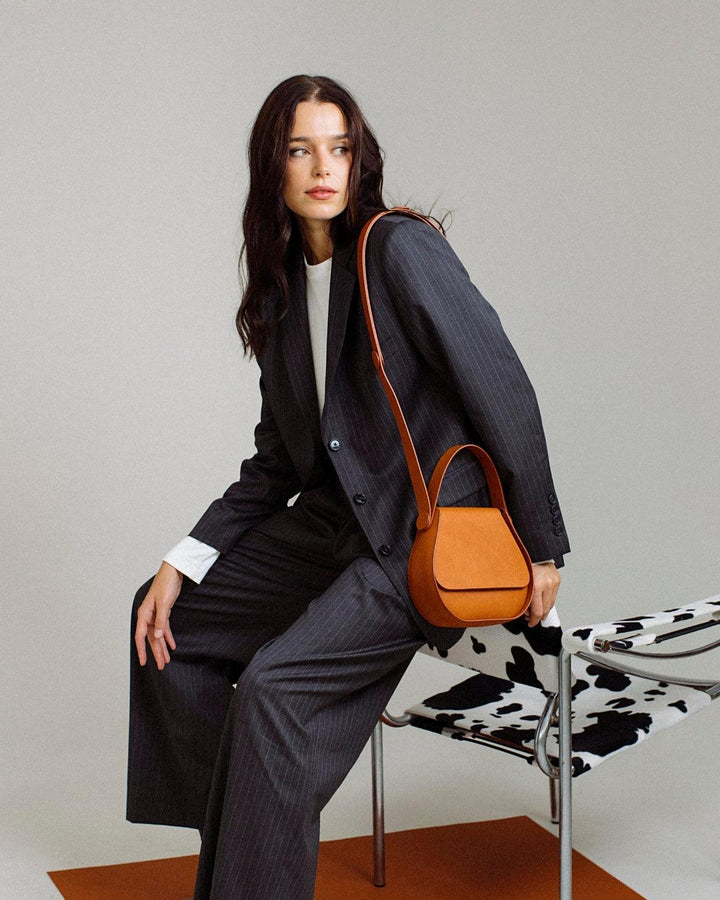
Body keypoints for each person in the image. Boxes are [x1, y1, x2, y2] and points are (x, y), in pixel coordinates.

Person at [127, 74, 570, 900]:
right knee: (165, 619)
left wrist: (543, 546)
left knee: (272, 693)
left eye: (339, 148)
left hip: (412, 540)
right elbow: (277, 464)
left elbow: (502, 386)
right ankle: (236, 841)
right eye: (301, 150)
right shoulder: (282, 289)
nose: (323, 167)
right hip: (330, 527)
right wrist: (184, 558)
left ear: (359, 159)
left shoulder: (397, 250)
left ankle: (246, 870)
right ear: (275, 167)